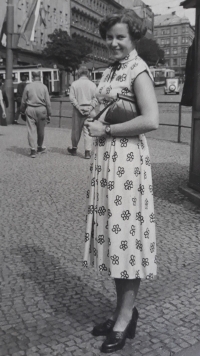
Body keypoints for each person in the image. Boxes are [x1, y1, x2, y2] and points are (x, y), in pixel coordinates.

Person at [83, 9, 159, 353]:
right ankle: (122, 311)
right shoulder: (113, 69)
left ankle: (125, 319)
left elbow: (152, 119)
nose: (113, 42)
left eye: (121, 37)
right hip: (108, 165)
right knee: (116, 244)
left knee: (126, 241)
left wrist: (107, 128)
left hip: (127, 166)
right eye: (110, 36)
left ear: (133, 39)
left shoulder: (138, 69)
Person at [68, 66, 98, 159]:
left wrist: (78, 106)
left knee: (76, 130)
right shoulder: (92, 84)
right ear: (87, 74)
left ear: (79, 73)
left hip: (78, 109)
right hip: (89, 109)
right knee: (88, 131)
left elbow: (72, 98)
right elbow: (96, 97)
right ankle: (87, 152)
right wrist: (90, 107)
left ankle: (74, 148)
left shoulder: (74, 84)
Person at [20, 71, 51, 158]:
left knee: (31, 130)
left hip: (30, 109)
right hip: (41, 109)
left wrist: (22, 111)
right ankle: (40, 146)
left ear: (32, 77)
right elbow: (48, 102)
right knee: (41, 130)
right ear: (40, 77)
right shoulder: (44, 87)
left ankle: (33, 150)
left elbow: (23, 101)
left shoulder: (28, 86)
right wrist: (49, 113)